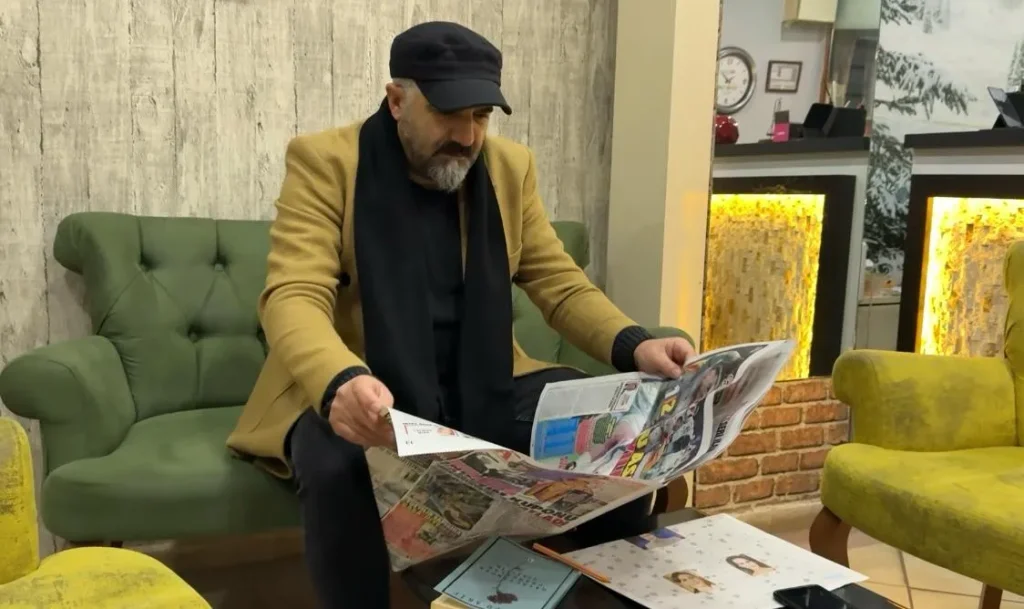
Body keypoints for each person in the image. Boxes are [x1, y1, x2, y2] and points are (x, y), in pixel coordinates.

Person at [225, 20, 696, 609]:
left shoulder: (508, 167)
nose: (467, 136)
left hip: (482, 377)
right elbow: (294, 293)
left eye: (481, 115)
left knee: (617, 424)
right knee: (338, 463)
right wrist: (339, 381)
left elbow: (557, 281)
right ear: (397, 100)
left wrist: (634, 343)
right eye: (448, 114)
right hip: (364, 378)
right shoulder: (326, 162)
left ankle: (610, 596)